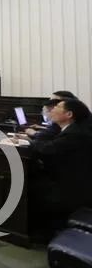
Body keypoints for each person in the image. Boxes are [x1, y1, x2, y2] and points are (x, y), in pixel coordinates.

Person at [28, 99, 92, 237]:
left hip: (72, 186)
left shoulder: (75, 133)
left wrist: (29, 142)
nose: (52, 110)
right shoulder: (72, 129)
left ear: (69, 114)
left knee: (29, 186)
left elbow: (48, 149)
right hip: (72, 179)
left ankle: (41, 232)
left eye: (57, 107)